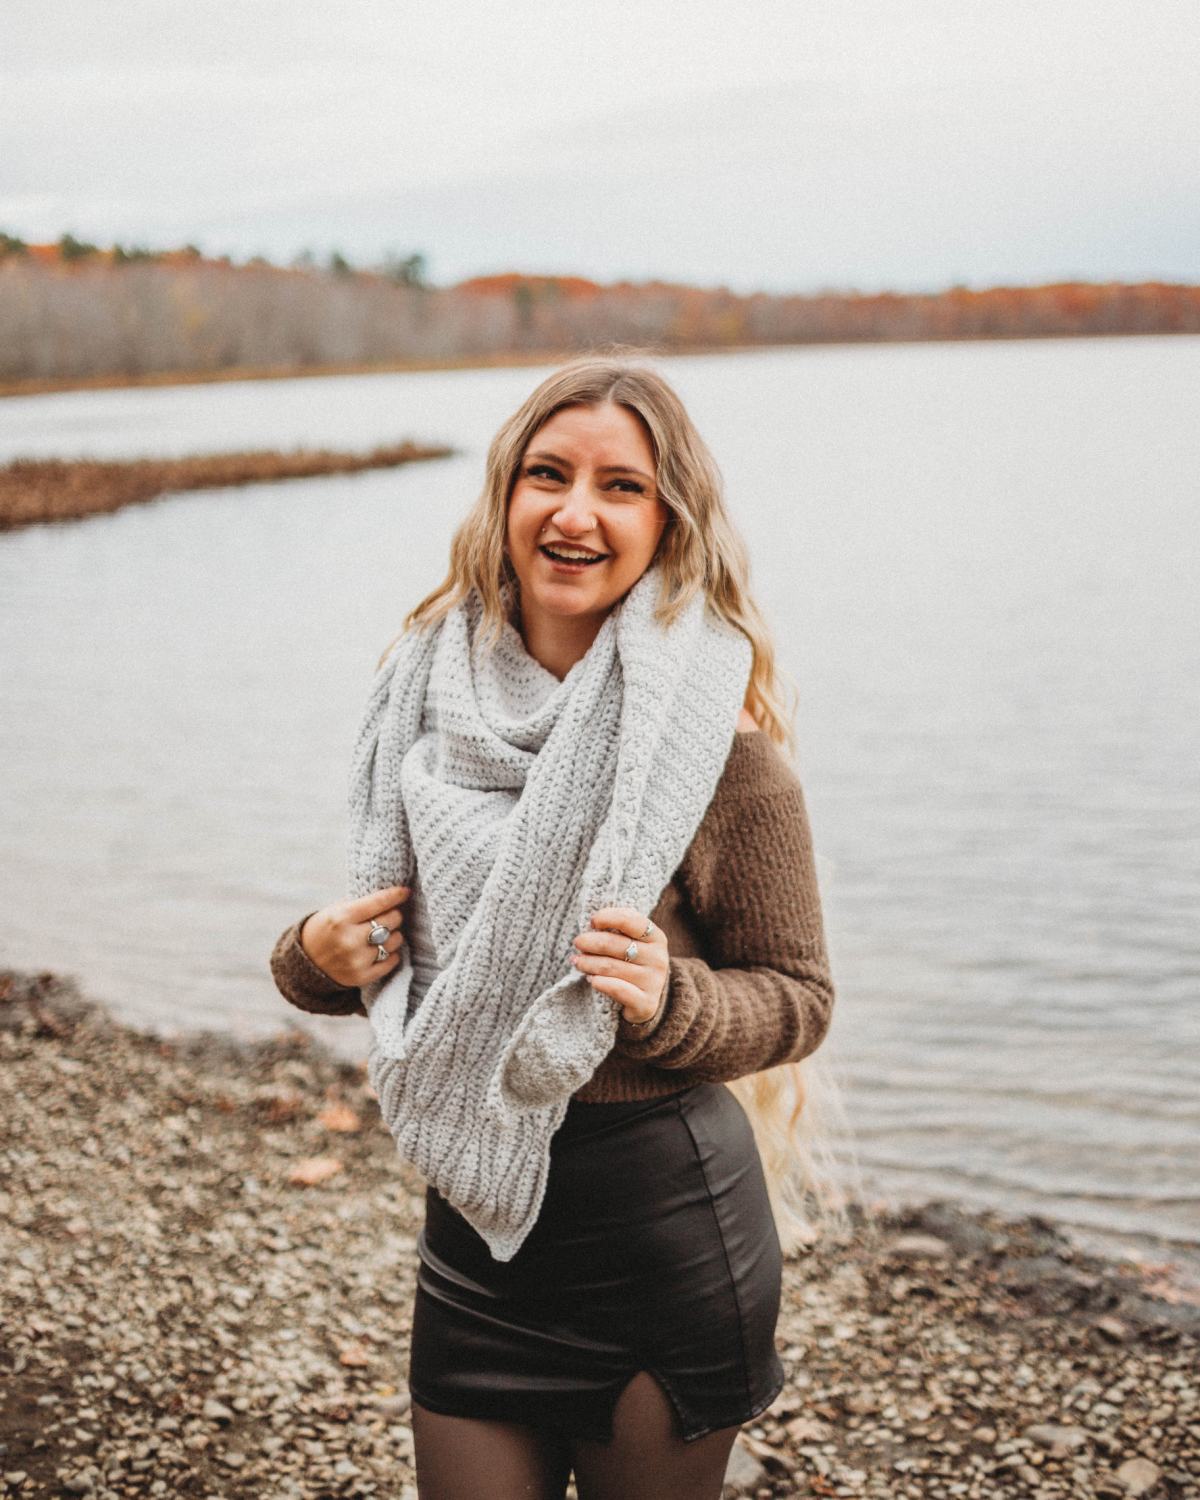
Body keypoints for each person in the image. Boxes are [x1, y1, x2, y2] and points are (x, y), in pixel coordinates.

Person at [270, 357, 833, 1500]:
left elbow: (800, 997)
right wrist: (313, 961)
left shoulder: (721, 756)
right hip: (474, 1236)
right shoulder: (421, 703)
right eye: (548, 474)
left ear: (668, 523)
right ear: (505, 497)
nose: (576, 513)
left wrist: (674, 1000)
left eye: (621, 487)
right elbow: (407, 953)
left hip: (661, 1243)